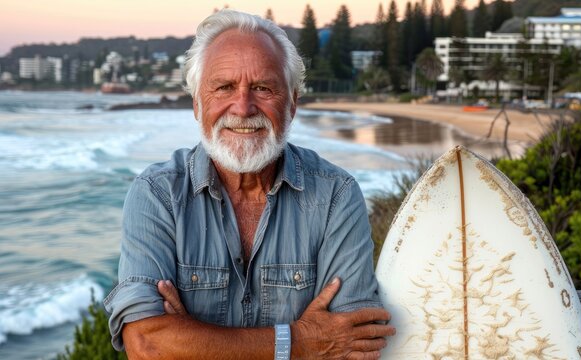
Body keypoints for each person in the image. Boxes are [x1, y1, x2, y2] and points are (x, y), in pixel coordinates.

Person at [104, 9, 395, 359]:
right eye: (224, 87)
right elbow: (147, 345)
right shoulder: (158, 194)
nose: (243, 108)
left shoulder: (335, 195)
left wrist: (191, 342)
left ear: (293, 103)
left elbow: (353, 349)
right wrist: (301, 342)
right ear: (197, 104)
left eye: (263, 88)